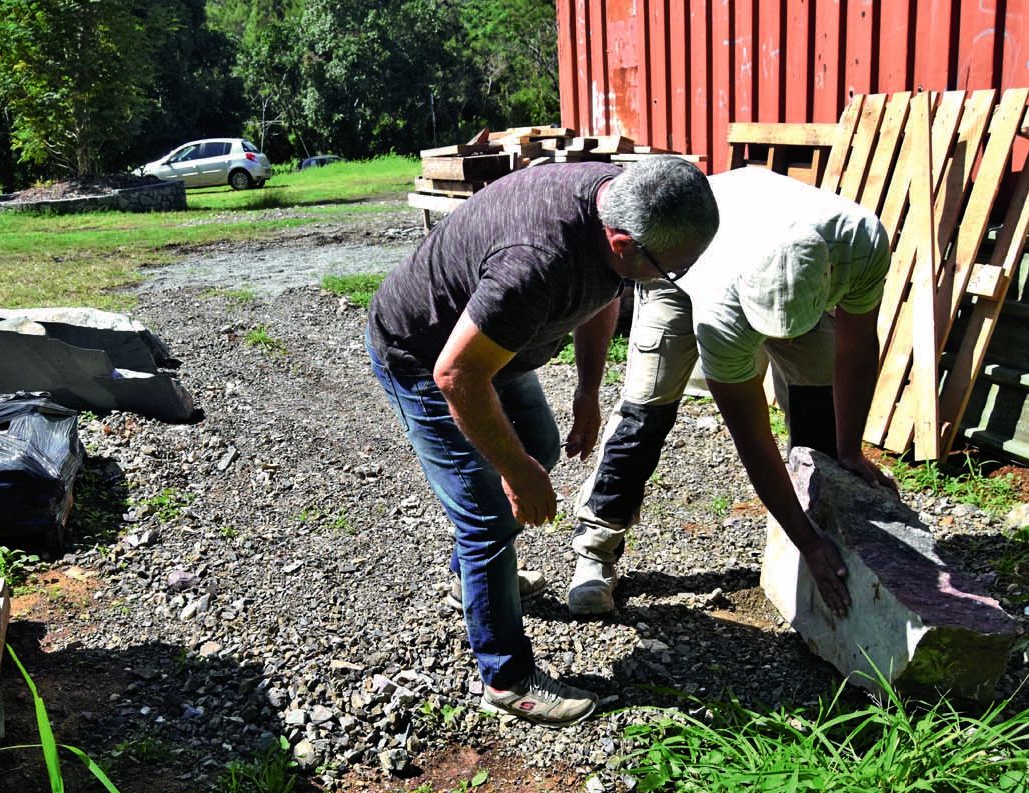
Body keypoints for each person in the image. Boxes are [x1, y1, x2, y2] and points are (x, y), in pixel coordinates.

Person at [367, 156, 719, 727]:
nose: (669, 280)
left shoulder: (614, 200)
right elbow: (457, 376)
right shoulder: (537, 263)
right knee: (488, 518)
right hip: (427, 353)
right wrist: (515, 474)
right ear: (623, 241)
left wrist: (587, 390)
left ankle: (471, 585)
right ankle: (506, 679)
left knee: (542, 449)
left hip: (495, 348)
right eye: (670, 271)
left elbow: (604, 292)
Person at [568, 165, 897, 619]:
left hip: (771, 249)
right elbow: (752, 437)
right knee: (647, 413)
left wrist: (849, 449)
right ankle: (596, 549)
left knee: (817, 404)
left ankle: (822, 544)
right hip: (677, 263)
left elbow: (857, 346)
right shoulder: (720, 306)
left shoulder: (861, 240)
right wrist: (806, 541)